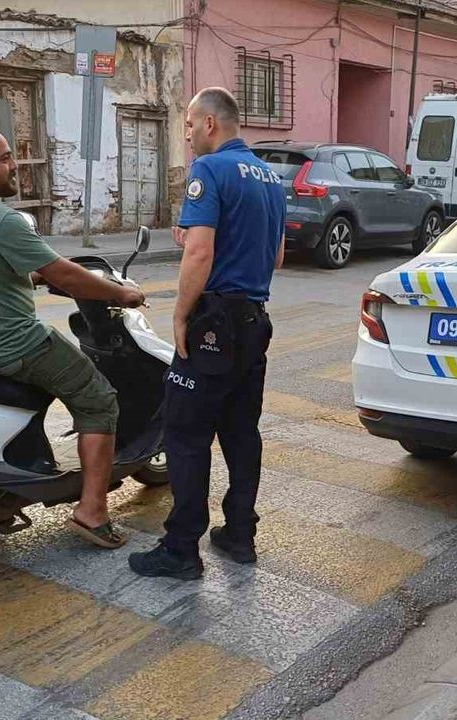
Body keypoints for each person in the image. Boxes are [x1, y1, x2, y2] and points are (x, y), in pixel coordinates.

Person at [0, 124, 146, 549]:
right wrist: (122, 294)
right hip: (12, 346)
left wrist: (29, 277)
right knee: (98, 400)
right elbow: (65, 273)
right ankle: (92, 512)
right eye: (4, 158)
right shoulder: (1, 219)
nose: (15, 165)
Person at [128, 88, 286, 580]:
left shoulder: (210, 170)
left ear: (211, 124)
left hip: (214, 322)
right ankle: (239, 534)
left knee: (184, 431)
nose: (189, 136)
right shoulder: (270, 178)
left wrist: (181, 315)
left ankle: (181, 549)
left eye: (191, 125)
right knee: (241, 431)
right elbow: (277, 256)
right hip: (254, 320)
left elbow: (200, 253)